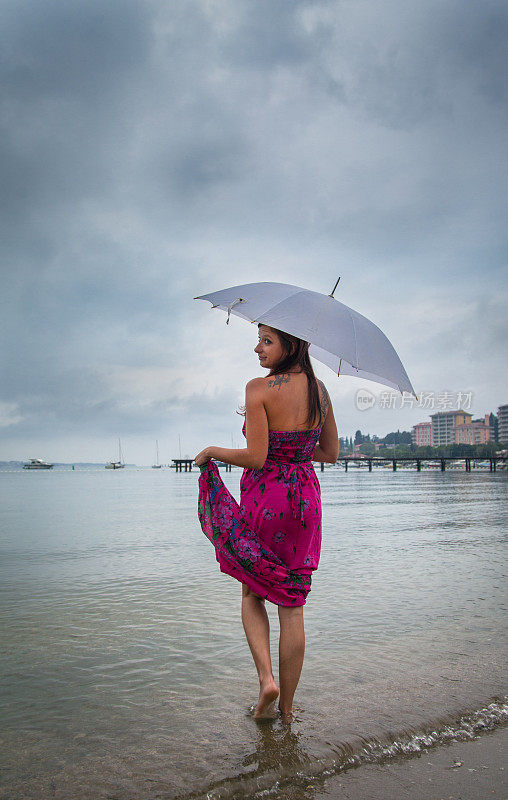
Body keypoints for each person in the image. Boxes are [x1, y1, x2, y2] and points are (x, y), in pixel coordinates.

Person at [194, 324, 339, 722]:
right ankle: (289, 712)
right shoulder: (321, 392)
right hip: (305, 501)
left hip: (267, 500)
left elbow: (256, 457)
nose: (256, 347)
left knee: (252, 595)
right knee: (293, 608)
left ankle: (266, 682)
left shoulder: (259, 388)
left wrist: (212, 451)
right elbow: (331, 452)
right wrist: (297, 454)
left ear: (290, 344)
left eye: (266, 340)